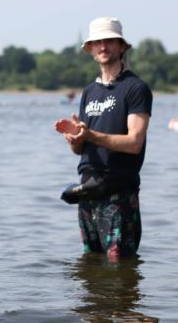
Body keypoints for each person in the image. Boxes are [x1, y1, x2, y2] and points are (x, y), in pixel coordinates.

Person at [54, 17, 152, 261]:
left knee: (119, 263)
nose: (103, 46)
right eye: (97, 42)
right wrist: (75, 139)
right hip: (88, 189)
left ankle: (122, 302)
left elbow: (135, 142)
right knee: (90, 262)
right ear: (90, 49)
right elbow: (80, 150)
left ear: (122, 46)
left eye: (109, 40)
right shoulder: (90, 92)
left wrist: (91, 135)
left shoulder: (135, 88)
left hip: (119, 192)